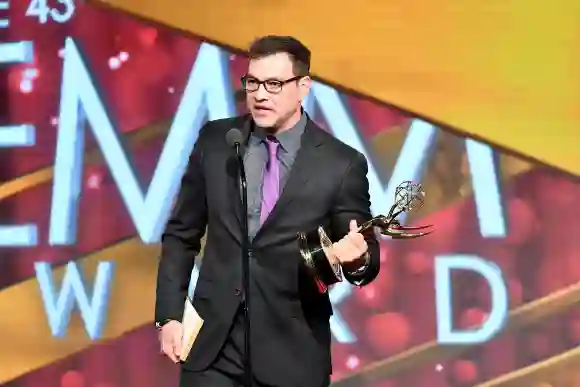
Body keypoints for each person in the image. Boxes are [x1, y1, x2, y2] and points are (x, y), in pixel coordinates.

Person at [155, 35, 380, 387]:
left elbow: (363, 258)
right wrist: (169, 315)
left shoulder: (341, 164)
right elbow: (182, 232)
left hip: (291, 354)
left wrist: (354, 258)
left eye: (274, 84)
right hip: (213, 352)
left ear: (304, 86)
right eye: (253, 82)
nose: (260, 94)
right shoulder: (217, 142)